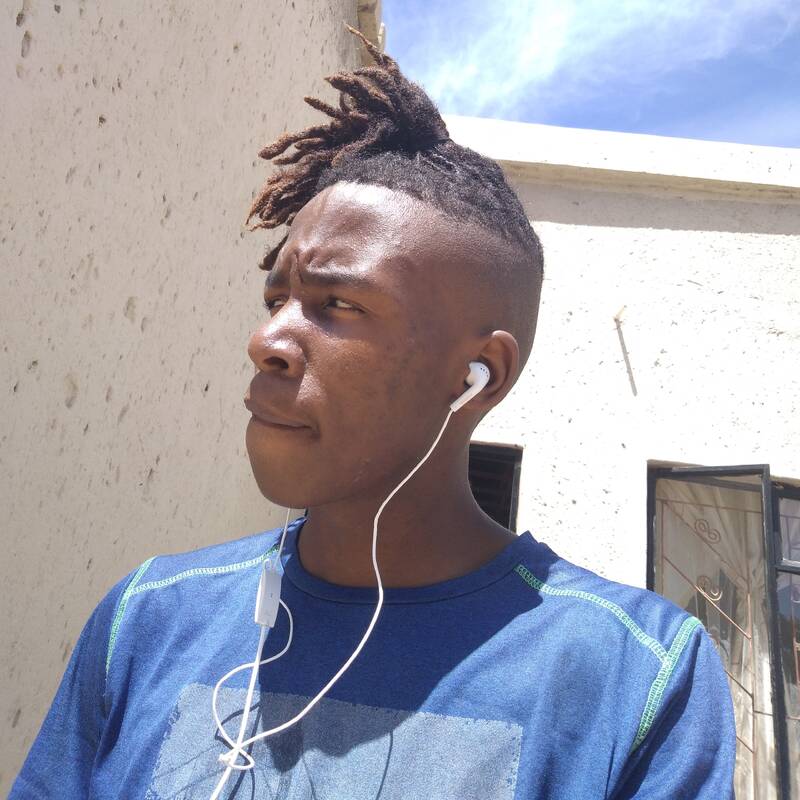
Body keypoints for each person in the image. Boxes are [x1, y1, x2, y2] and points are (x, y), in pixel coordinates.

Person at [10, 27, 735, 800]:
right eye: (276, 299)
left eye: (339, 304)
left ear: (480, 376)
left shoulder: (636, 677)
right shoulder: (148, 618)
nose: (266, 341)